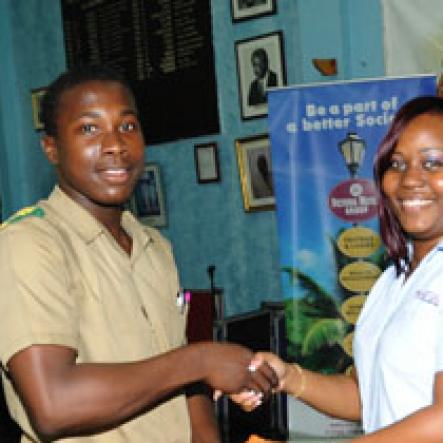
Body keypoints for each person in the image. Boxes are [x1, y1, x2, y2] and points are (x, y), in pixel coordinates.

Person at [0, 65, 277, 443]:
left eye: (127, 126)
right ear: (52, 149)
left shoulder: (154, 247)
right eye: (89, 128)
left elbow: (184, 383)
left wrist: (200, 371)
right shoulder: (28, 243)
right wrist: (202, 359)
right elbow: (53, 405)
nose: (115, 144)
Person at [236, 95, 443, 441]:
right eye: (397, 164)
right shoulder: (394, 278)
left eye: (433, 162)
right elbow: (368, 399)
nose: (409, 180)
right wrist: (287, 376)